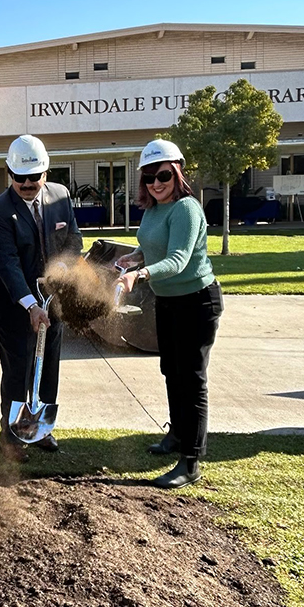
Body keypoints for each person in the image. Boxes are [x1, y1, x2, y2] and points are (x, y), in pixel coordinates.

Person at [117, 139, 223, 489]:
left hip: (196, 302)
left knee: (192, 380)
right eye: (149, 177)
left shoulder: (187, 209)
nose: (156, 183)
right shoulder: (153, 208)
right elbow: (152, 245)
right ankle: (176, 436)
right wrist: (135, 257)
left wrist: (139, 274)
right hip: (168, 302)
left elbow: (178, 260)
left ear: (176, 172)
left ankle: (191, 462)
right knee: (171, 372)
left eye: (163, 175)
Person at [0, 134, 82, 459]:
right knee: (18, 369)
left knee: (49, 364)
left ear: (46, 174)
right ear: (9, 174)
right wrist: (30, 303)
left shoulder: (61, 197)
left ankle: (39, 429)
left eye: (33, 177)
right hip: (12, 302)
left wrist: (61, 270)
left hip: (53, 300)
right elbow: (6, 262)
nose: (27, 183)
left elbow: (73, 241)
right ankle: (10, 435)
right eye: (19, 177)